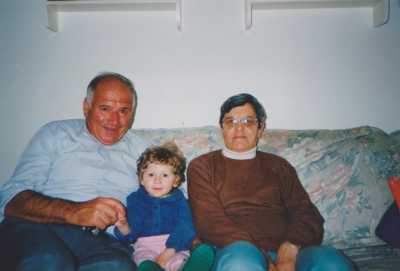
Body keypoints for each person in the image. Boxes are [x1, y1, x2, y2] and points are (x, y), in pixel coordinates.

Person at [187, 93, 356, 271]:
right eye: (231, 122)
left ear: (260, 128)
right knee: (241, 265)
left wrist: (290, 247)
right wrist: (264, 259)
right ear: (222, 128)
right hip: (233, 251)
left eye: (248, 121)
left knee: (332, 262)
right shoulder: (202, 166)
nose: (239, 129)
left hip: (288, 254)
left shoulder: (279, 166)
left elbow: (307, 215)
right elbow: (210, 222)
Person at [0, 72, 149, 271]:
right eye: (105, 109)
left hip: (105, 244)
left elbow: (170, 199)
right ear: (86, 107)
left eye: (124, 110)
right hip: (42, 229)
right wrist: (74, 212)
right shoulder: (56, 133)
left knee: (117, 267)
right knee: (49, 260)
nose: (114, 120)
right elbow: (10, 199)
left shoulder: (144, 150)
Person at [114, 143, 215, 271]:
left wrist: (170, 251)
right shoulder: (134, 200)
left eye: (165, 175)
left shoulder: (180, 200)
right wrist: (124, 227)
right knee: (143, 260)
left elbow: (186, 226)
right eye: (151, 175)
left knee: (179, 260)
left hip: (175, 245)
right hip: (145, 246)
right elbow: (131, 235)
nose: (157, 180)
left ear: (176, 181)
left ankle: (188, 267)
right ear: (141, 179)